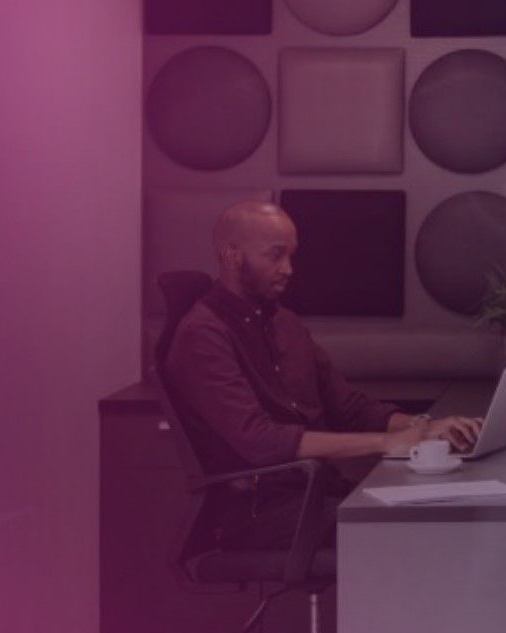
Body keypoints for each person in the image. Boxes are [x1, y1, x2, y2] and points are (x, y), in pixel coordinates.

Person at [162, 200, 482, 550]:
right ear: (232, 256)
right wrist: (388, 443)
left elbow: (351, 408)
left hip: (315, 494)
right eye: (275, 256)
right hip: (258, 513)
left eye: (291, 256)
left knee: (443, 509)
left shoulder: (285, 323)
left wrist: (426, 427)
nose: (288, 269)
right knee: (412, 531)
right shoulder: (202, 335)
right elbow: (260, 440)